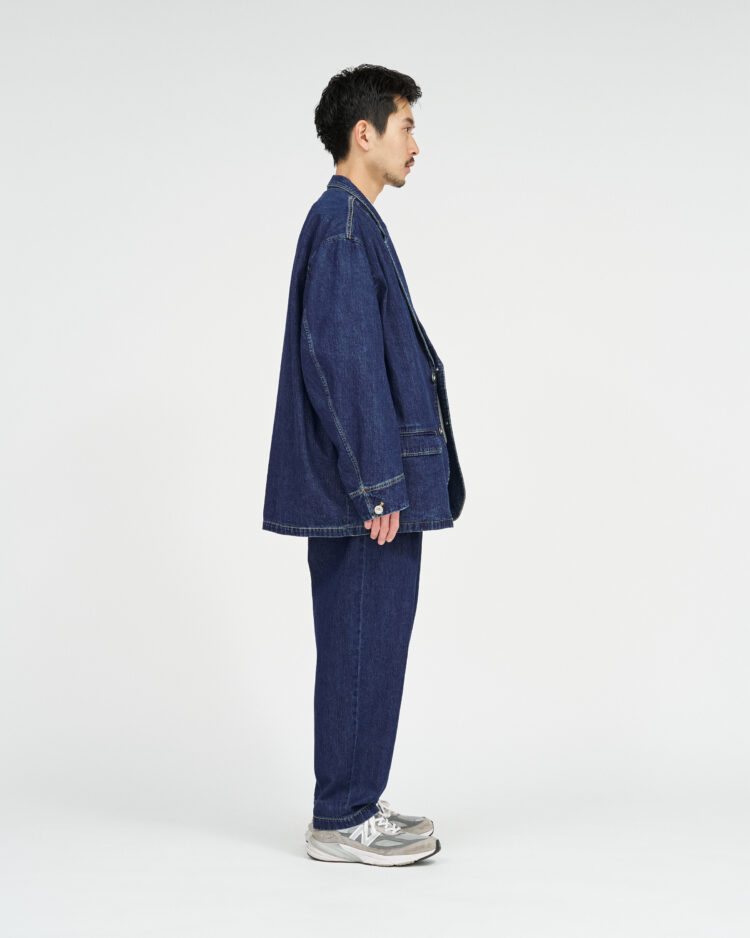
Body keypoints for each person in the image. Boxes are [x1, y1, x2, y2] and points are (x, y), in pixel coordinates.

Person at [262, 64, 466, 866]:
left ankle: (355, 797)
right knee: (360, 640)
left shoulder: (352, 222)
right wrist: (379, 487)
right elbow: (342, 365)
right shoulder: (345, 227)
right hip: (367, 496)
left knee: (371, 642)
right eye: (406, 126)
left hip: (371, 488)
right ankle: (341, 818)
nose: (416, 143)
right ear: (365, 132)